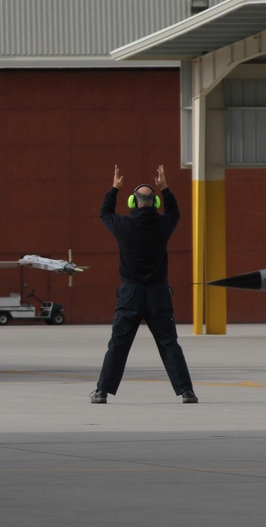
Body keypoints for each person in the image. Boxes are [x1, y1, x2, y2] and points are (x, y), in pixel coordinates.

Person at [91, 165, 197, 404]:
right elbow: (175, 213)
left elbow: (104, 213)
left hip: (130, 294)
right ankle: (186, 391)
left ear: (132, 203)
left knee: (118, 344)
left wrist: (114, 188)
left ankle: (102, 392)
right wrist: (166, 188)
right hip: (159, 294)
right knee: (169, 343)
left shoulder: (123, 226)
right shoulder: (163, 226)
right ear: (155, 204)